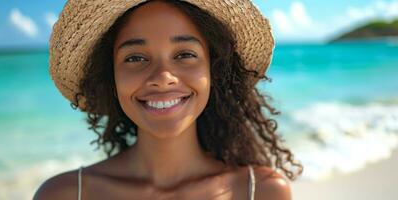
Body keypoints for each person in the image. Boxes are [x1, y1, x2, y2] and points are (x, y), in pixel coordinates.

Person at [34, 0, 303, 199]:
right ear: (110, 79)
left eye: (185, 54)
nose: (163, 77)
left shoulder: (261, 191)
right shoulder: (66, 194)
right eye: (135, 58)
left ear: (214, 70)